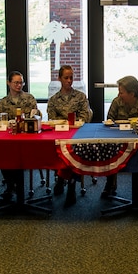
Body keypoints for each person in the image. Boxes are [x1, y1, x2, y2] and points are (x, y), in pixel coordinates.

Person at [48, 65, 91, 203]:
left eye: (71, 77)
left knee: (73, 150)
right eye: (66, 78)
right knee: (59, 150)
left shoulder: (80, 97)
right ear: (59, 78)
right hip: (60, 134)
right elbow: (52, 119)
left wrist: (71, 123)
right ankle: (62, 179)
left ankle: (70, 184)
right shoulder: (54, 99)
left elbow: (85, 117)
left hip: (77, 134)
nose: (69, 80)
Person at [0, 71, 38, 199]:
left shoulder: (29, 99)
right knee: (2, 155)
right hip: (9, 139)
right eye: (16, 82)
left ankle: (13, 187)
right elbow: (0, 122)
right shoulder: (3, 102)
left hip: (27, 138)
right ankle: (10, 185)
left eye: (21, 82)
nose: (19, 85)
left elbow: (35, 117)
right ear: (8, 83)